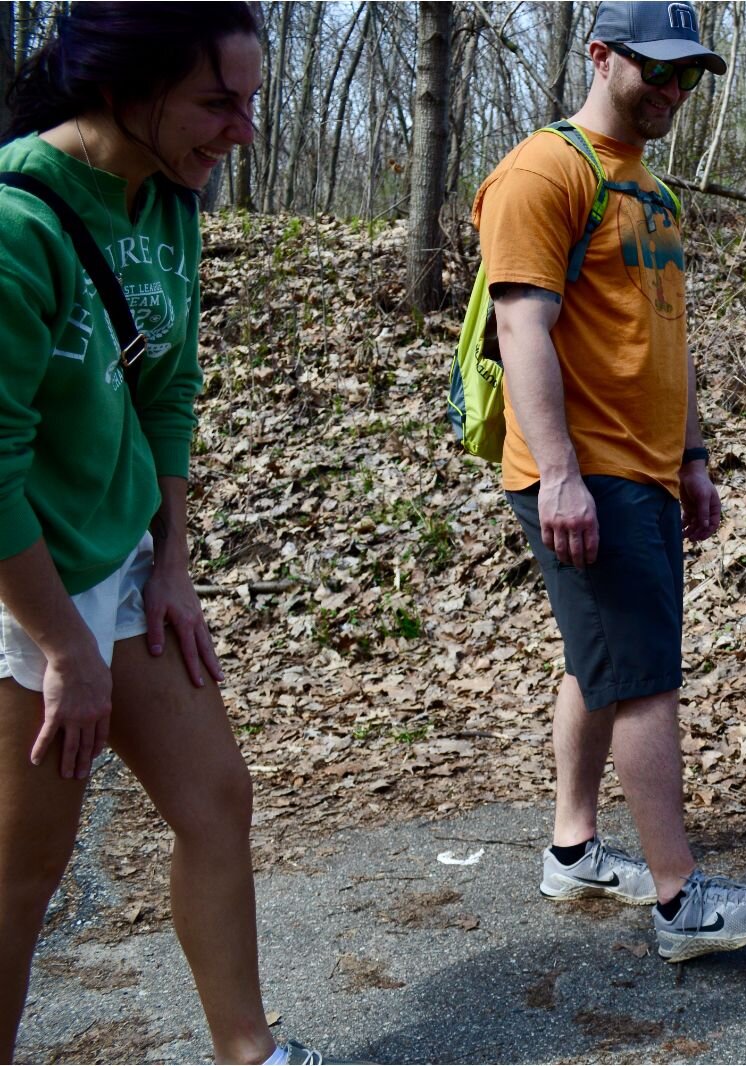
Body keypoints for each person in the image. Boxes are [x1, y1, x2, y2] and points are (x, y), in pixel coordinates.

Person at [0, 6, 336, 1063]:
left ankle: (248, 1051)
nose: (242, 131)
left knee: (215, 798)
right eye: (216, 103)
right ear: (122, 88)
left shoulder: (169, 200)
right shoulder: (18, 220)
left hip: (122, 556)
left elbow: (168, 390)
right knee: (22, 870)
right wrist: (65, 647)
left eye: (252, 103)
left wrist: (172, 566)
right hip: (25, 578)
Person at [472, 0, 746, 963]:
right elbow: (520, 329)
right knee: (645, 678)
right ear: (601, 55)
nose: (675, 90)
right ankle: (682, 903)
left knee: (600, 661)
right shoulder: (544, 172)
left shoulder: (650, 189)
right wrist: (560, 475)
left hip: (644, 466)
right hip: (586, 469)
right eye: (659, 69)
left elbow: (667, 335)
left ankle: (573, 851)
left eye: (689, 75)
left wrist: (693, 456)